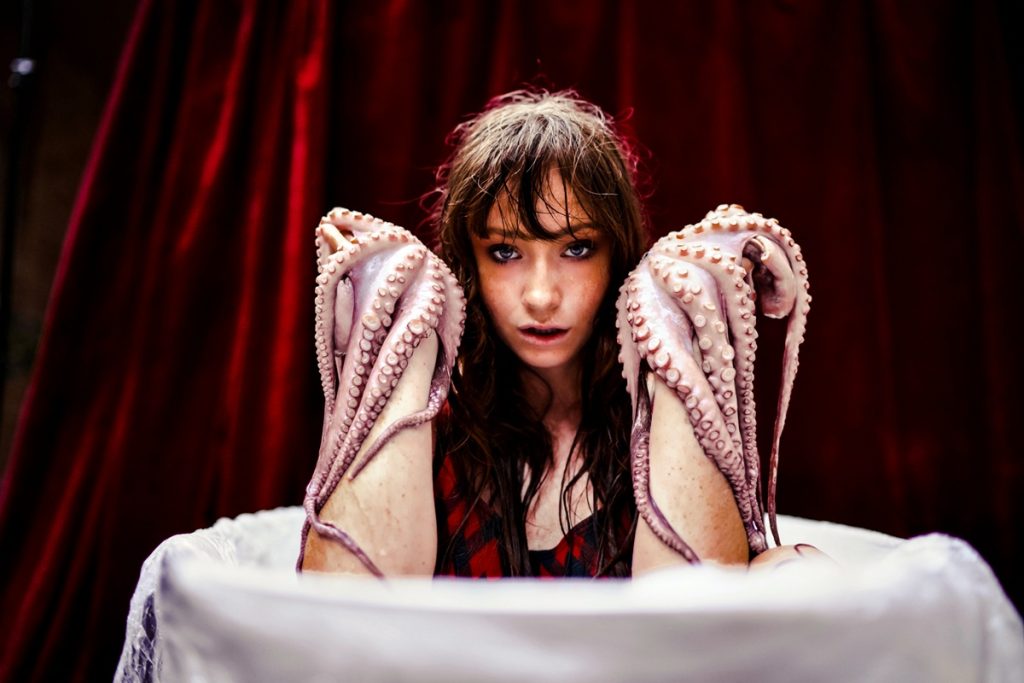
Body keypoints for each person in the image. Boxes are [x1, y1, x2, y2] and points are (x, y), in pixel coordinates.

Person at [301, 89, 795, 578]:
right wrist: (412, 328)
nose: (541, 296)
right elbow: (345, 605)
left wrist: (672, 324)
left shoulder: (655, 430)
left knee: (795, 566)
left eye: (577, 249)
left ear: (617, 257)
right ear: (467, 263)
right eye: (505, 252)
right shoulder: (434, 434)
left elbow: (698, 611)